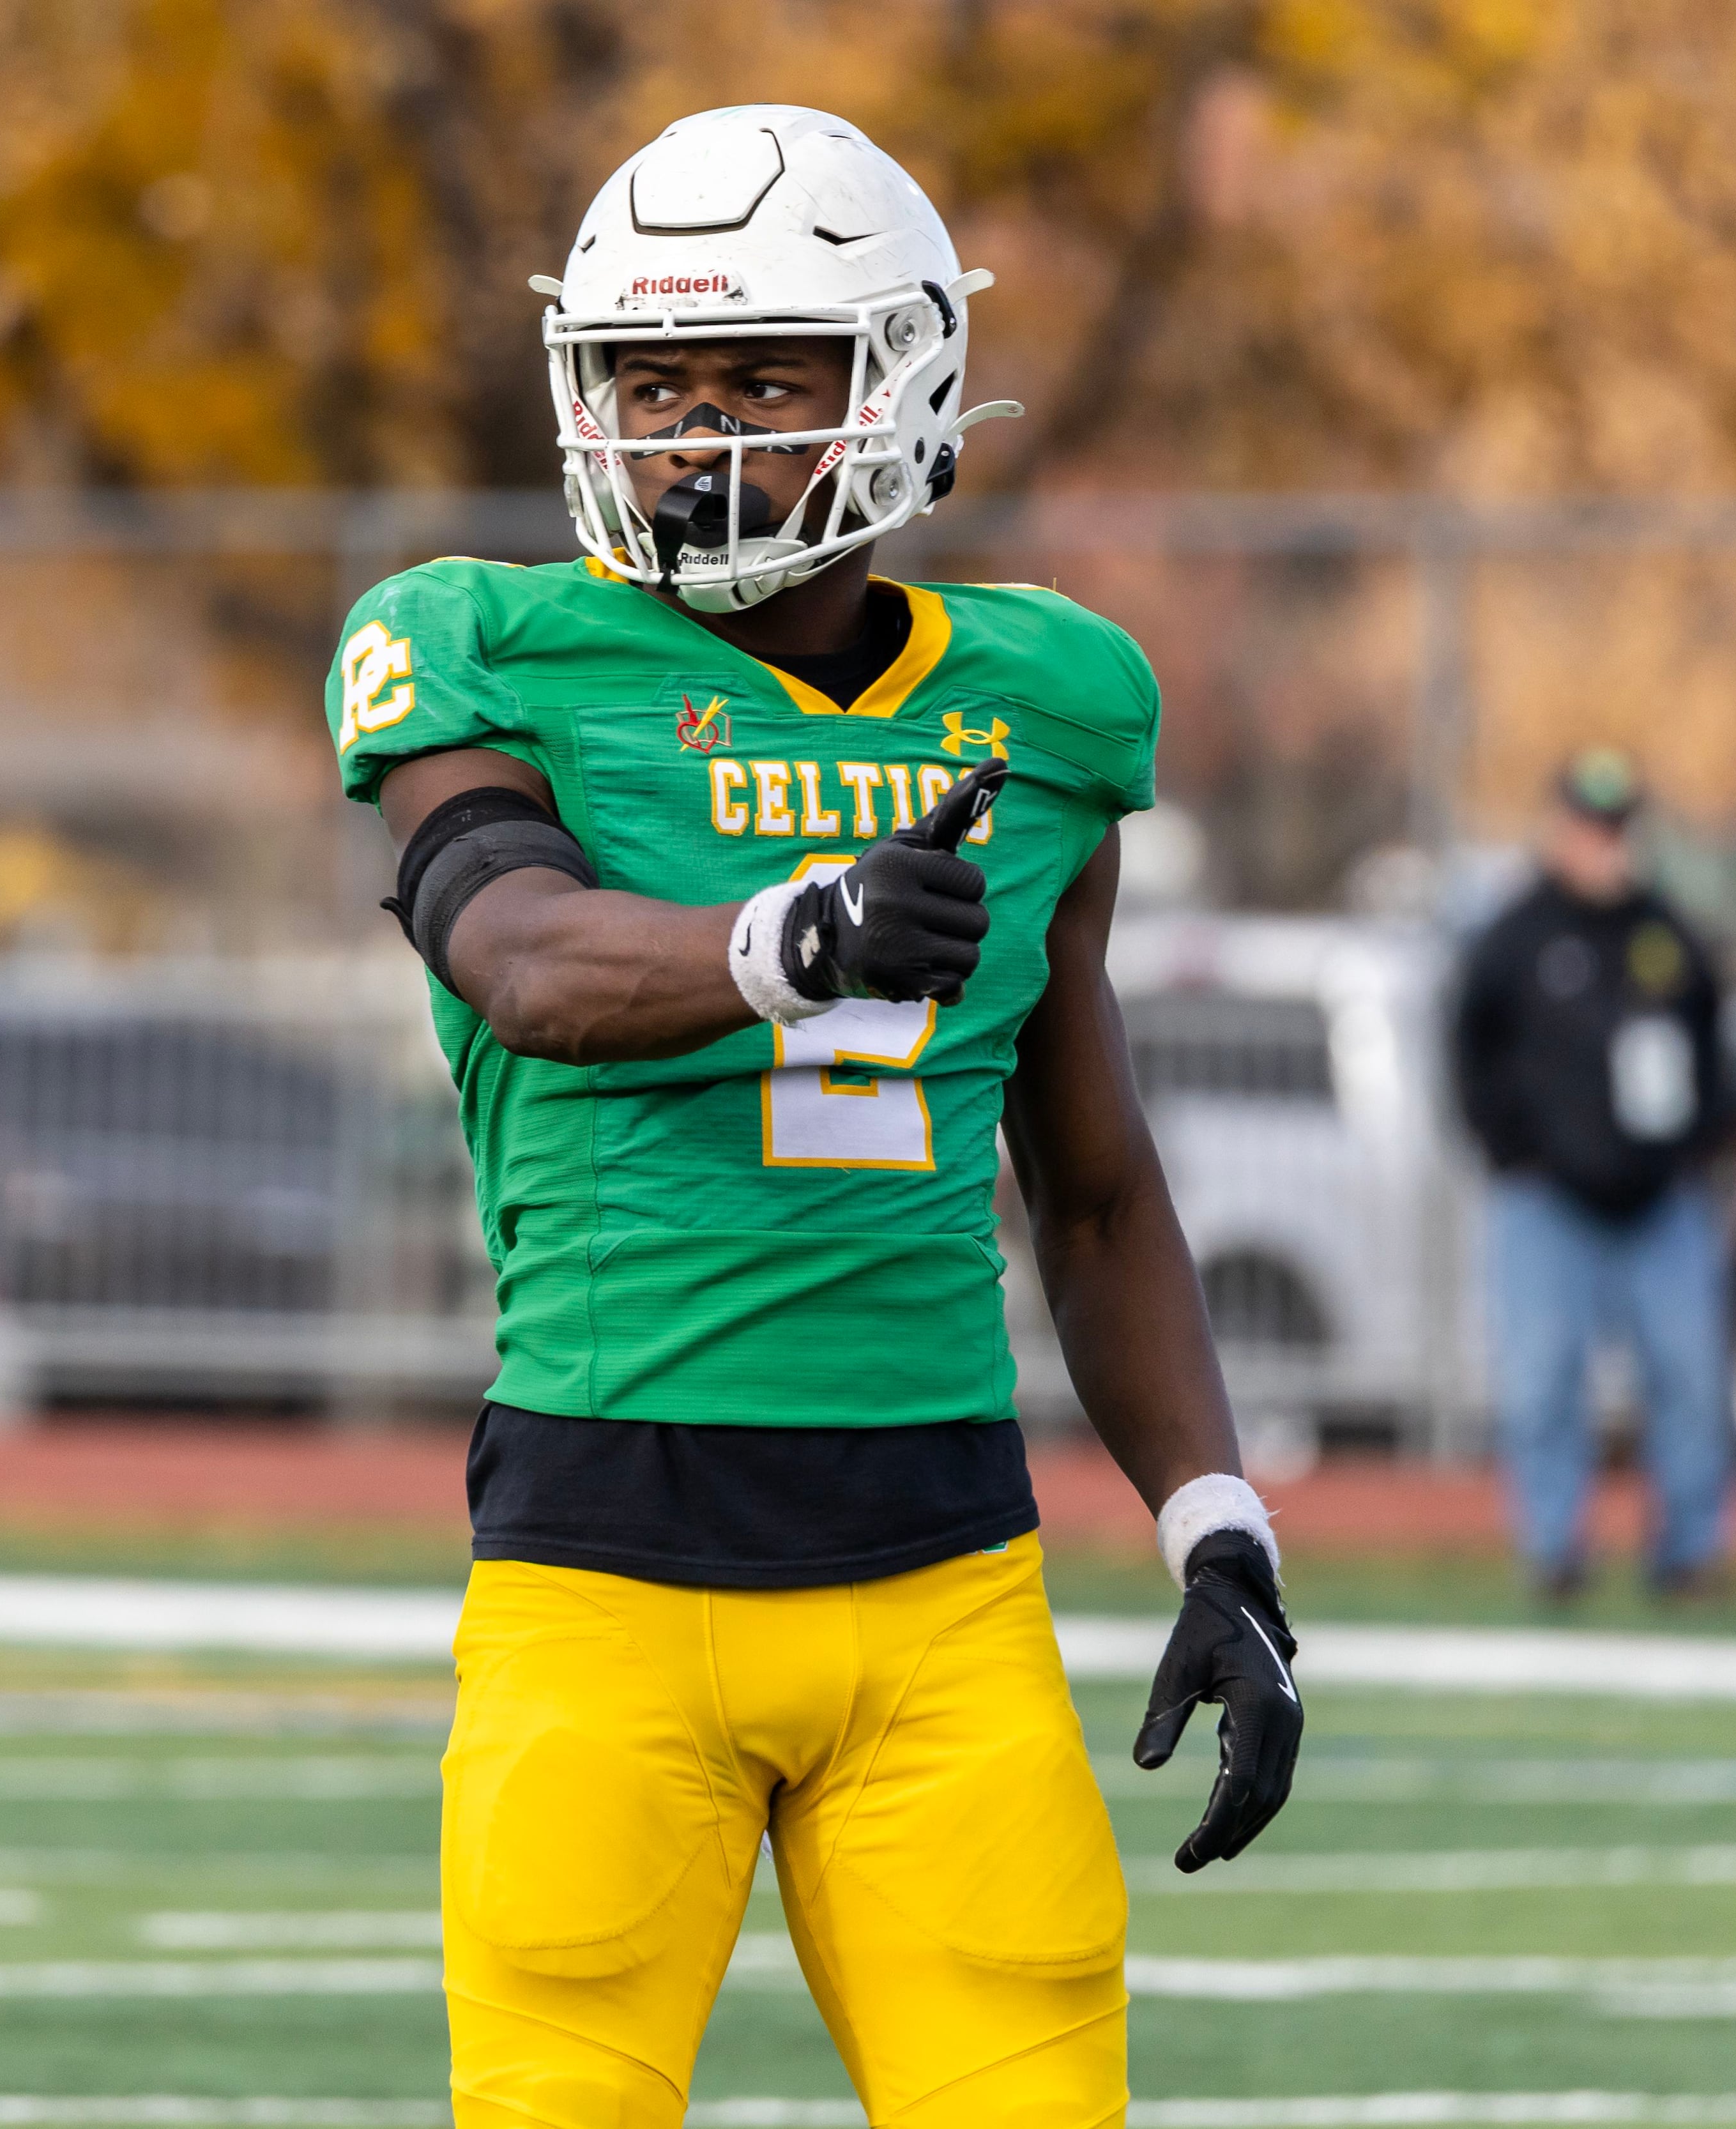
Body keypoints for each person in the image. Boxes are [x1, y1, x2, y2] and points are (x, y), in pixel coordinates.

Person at [328, 105, 1300, 2128]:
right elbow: (517, 954)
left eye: (762, 375)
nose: (693, 432)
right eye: (646, 381)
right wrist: (797, 935)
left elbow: (1097, 1192)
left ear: (905, 376)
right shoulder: (490, 649)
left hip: (940, 1578)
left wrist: (1219, 1528)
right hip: (605, 1580)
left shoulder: (1044, 703)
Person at [1450, 747, 1732, 1603]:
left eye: (1618, 828)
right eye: (1591, 827)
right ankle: (1552, 1548)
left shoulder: (1669, 933)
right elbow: (1467, 1050)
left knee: (1691, 1376)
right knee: (1542, 1380)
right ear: (1559, 827)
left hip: (1660, 1201)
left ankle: (1687, 1552)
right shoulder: (1516, 933)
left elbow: (1717, 1046)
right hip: (1547, 1201)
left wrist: (1698, 1149)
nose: (1606, 845)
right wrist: (1514, 1151)